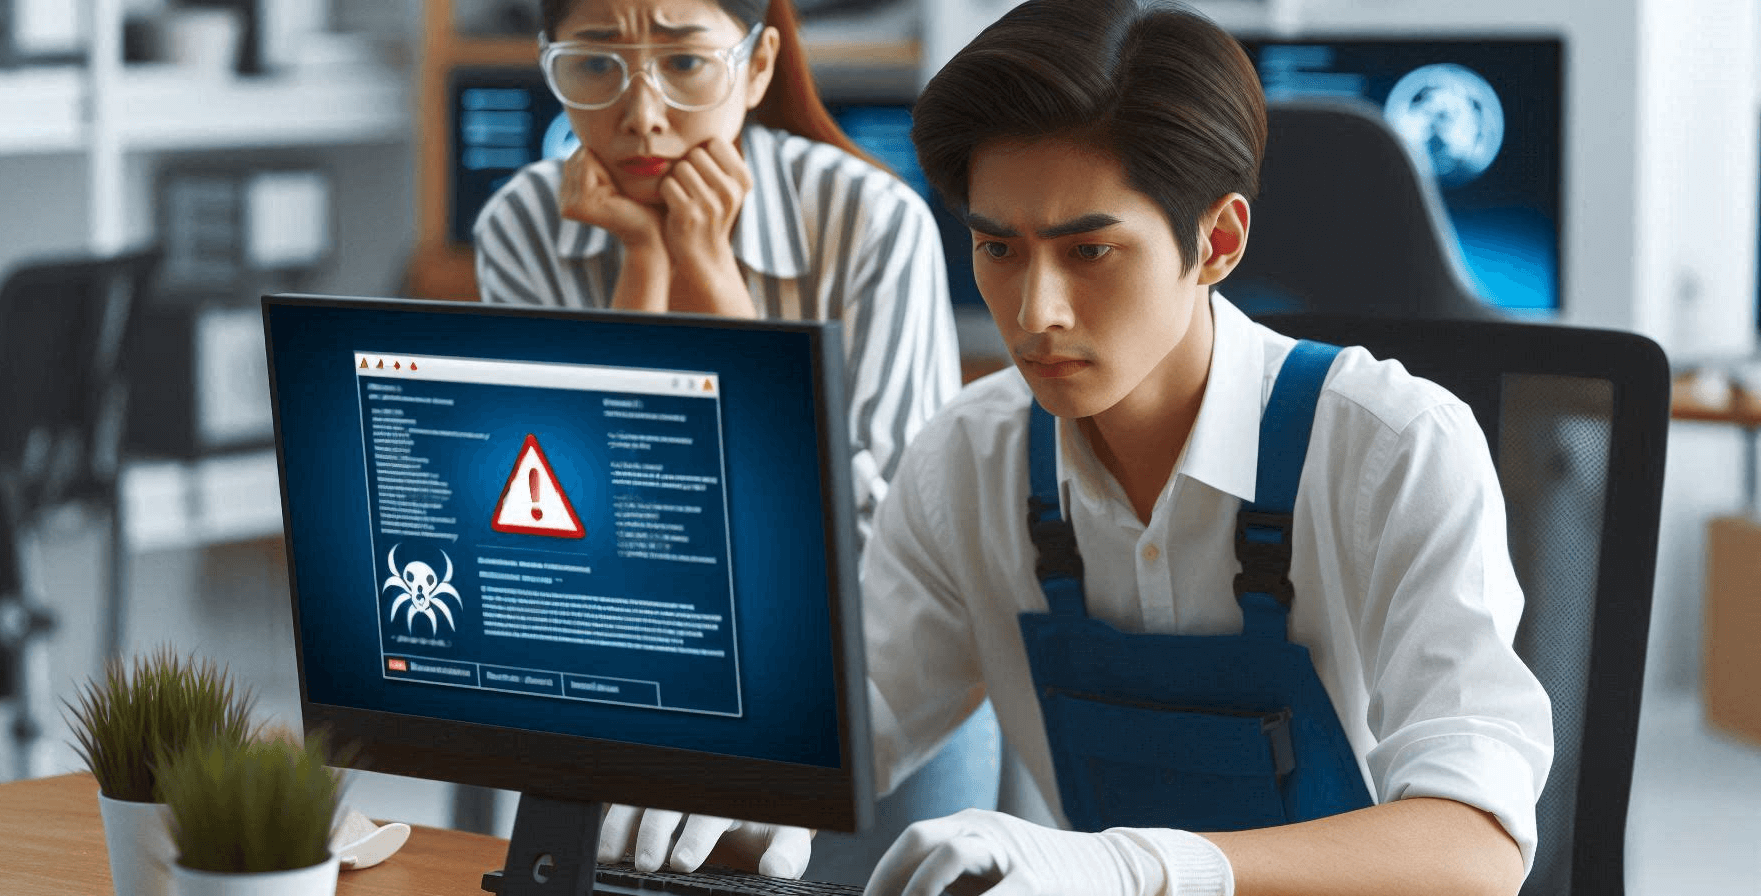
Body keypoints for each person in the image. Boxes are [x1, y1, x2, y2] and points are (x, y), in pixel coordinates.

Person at [603, 2, 1553, 896]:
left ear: (1217, 240)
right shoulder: (969, 464)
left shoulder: (1394, 450)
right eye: (998, 249)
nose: (1033, 312)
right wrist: (737, 781)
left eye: (1088, 252)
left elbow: (1476, 849)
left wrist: (1139, 868)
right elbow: (850, 728)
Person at [473, 0, 961, 543]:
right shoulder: (521, 222)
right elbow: (568, 510)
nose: (642, 117)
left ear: (756, 68)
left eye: (684, 63)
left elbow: (901, 536)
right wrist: (645, 263)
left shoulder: (873, 219)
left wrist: (709, 268)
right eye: (594, 65)